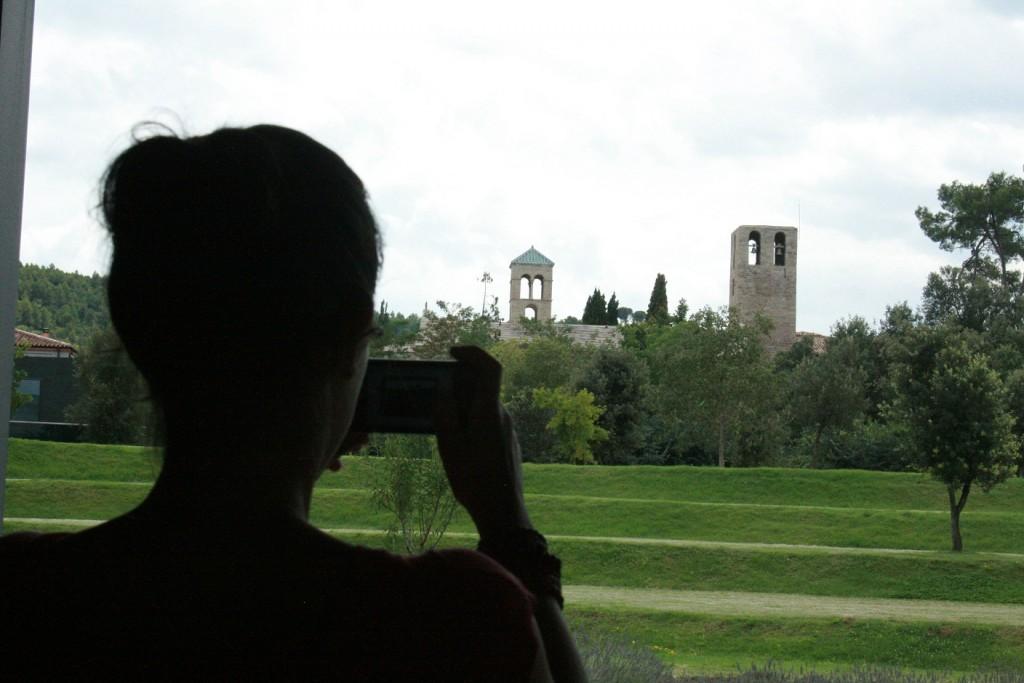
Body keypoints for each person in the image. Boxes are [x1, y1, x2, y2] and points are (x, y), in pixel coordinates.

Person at [0, 124, 587, 681]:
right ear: (351, 335)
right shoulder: (445, 617)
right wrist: (511, 530)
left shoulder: (24, 590)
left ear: (133, 331)